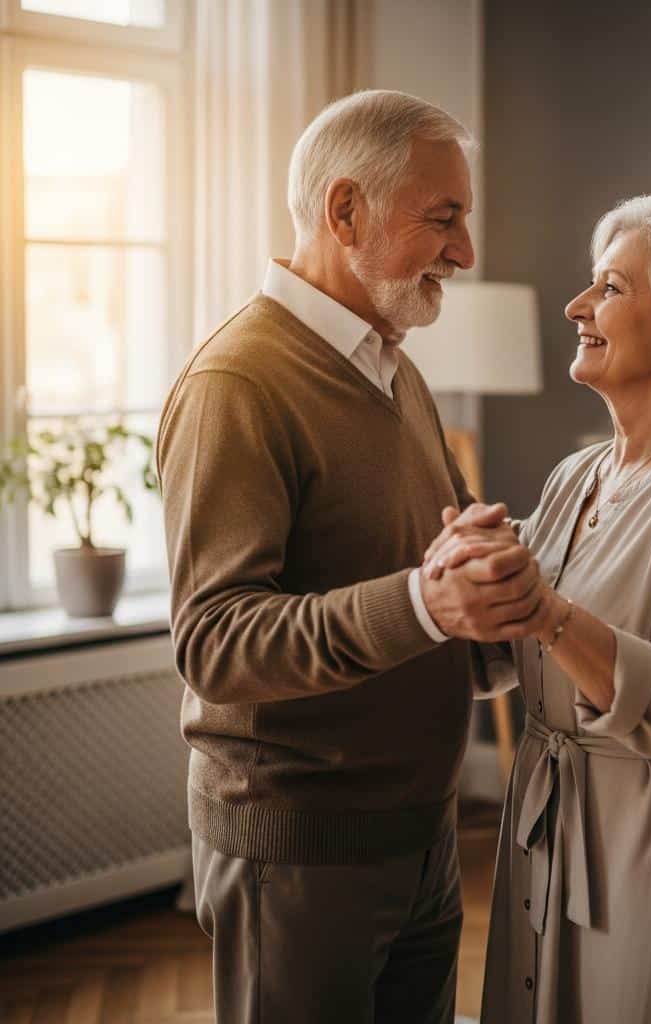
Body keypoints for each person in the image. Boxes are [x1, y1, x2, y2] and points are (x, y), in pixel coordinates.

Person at [157, 90, 546, 1024]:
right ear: (345, 212)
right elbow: (215, 642)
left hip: (422, 834)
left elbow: (420, 583)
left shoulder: (394, 364)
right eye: (443, 219)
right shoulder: (234, 384)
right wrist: (426, 600)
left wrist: (484, 589)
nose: (466, 252)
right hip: (297, 848)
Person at [424, 194, 651, 1022]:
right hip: (551, 818)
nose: (577, 306)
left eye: (612, 288)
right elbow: (505, 661)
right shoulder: (576, 476)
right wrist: (466, 581)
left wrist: (544, 609)